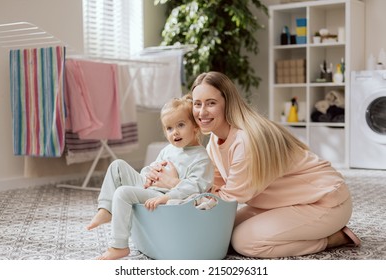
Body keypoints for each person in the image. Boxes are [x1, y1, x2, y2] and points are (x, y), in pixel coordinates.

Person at [185, 71, 360, 258]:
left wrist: (183, 192)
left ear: (228, 103)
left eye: (211, 103)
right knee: (222, 232)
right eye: (197, 104)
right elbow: (215, 188)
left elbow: (229, 197)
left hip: (325, 201)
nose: (202, 112)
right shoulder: (214, 140)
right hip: (281, 203)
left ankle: (333, 238)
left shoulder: (245, 140)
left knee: (244, 242)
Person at [86, 95, 214, 260]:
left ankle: (118, 246)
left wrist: (167, 196)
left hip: (163, 194)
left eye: (180, 125)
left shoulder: (201, 158)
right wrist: (148, 174)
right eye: (169, 128)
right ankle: (106, 209)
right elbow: (151, 168)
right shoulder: (168, 150)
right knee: (117, 165)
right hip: (151, 186)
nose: (174, 132)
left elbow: (194, 187)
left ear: (196, 127)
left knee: (123, 193)